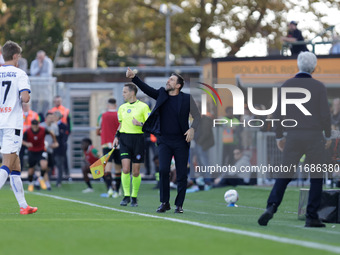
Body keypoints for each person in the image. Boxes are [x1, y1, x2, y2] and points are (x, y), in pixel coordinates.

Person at [258, 52, 332, 228]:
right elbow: (325, 115)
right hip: (314, 136)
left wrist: (279, 136)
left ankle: (271, 206)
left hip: (293, 136)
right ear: (314, 67)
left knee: (284, 174)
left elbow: (278, 114)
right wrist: (328, 135)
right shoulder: (319, 86)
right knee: (316, 176)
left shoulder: (286, 85)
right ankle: (311, 216)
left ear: (297, 65)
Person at [126, 68, 201, 213]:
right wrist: (134, 77)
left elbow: (197, 116)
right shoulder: (161, 94)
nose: (168, 81)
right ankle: (164, 202)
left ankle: (179, 205)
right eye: (169, 79)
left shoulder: (186, 98)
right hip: (164, 141)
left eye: (172, 80)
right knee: (163, 170)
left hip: (181, 141)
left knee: (181, 174)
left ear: (178, 85)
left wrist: (193, 129)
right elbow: (146, 89)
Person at [0, 40, 37, 214]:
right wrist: (24, 95)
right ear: (15, 56)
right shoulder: (19, 74)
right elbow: (25, 98)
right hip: (11, 125)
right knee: (6, 165)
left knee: (15, 166)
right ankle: (23, 205)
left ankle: (24, 206)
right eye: (19, 56)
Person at [113, 83, 150, 207]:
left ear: (132, 93)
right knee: (125, 169)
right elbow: (121, 124)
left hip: (138, 140)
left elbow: (150, 125)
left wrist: (139, 123)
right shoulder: (122, 108)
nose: (123, 94)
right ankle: (126, 196)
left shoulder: (143, 107)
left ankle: (134, 197)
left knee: (135, 172)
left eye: (125, 92)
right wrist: (116, 137)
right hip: (124, 139)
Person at [22, 119, 58, 191]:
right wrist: (26, 144)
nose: (35, 127)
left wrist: (55, 141)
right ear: (31, 125)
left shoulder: (43, 130)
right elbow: (22, 140)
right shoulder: (27, 131)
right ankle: (31, 183)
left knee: (44, 165)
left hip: (41, 150)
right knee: (31, 170)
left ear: (38, 125)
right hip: (32, 151)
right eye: (34, 125)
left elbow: (51, 133)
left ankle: (41, 178)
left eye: (36, 125)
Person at [96, 98, 122, 197]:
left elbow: (98, 131)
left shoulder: (102, 116)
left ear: (108, 105)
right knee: (118, 168)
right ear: (116, 105)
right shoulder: (119, 114)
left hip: (106, 144)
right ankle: (117, 191)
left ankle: (110, 189)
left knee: (107, 168)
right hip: (118, 144)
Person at [53, 110, 70, 187]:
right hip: (51, 148)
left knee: (59, 165)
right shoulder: (50, 125)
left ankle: (59, 181)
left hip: (60, 148)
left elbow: (64, 137)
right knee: (49, 164)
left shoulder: (63, 126)